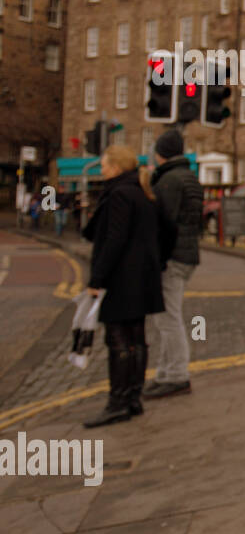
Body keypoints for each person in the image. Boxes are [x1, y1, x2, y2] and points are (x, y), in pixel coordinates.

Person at [82, 146, 166, 428]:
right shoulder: (143, 192)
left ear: (117, 167)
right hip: (142, 278)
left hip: (122, 279)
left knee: (118, 340)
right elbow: (166, 232)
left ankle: (118, 402)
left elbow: (113, 240)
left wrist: (97, 279)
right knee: (136, 338)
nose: (102, 171)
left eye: (104, 166)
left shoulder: (119, 194)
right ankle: (133, 398)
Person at [144, 129, 203, 398]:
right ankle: (166, 373)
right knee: (166, 317)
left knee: (168, 319)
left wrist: (157, 258)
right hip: (187, 254)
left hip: (173, 257)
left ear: (160, 153)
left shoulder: (169, 181)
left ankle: (177, 375)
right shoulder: (190, 178)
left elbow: (162, 224)